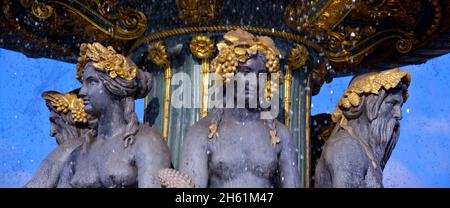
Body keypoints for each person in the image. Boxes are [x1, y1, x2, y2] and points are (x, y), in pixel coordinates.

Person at [179, 29, 300, 188]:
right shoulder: (201, 133)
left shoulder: (281, 135)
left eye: (261, 74)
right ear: (227, 74)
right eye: (245, 72)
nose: (255, 82)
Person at [57, 43, 170, 188]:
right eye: (83, 84)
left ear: (114, 86)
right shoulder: (78, 154)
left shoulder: (145, 142)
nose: (82, 92)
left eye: (91, 83)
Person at [315, 68, 410, 188]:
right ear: (369, 104)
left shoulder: (365, 153)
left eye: (400, 106)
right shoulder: (346, 147)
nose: (399, 114)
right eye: (392, 104)